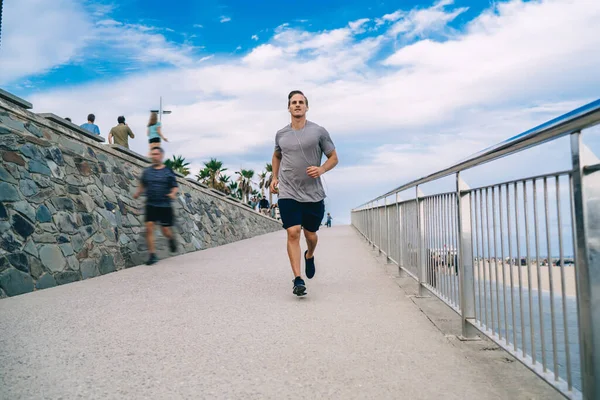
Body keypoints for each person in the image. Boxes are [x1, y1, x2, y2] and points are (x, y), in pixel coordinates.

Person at [270, 90, 339, 296]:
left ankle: (310, 255)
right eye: (294, 102)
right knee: (293, 232)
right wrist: (275, 177)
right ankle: (298, 279)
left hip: (313, 194)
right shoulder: (281, 134)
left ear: (306, 107)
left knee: (311, 234)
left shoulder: (318, 131)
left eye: (301, 102)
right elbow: (276, 156)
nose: (297, 105)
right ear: (289, 108)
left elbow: (333, 157)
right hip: (288, 192)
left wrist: (321, 169)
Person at [133, 147, 178, 265]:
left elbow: (174, 186)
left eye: (156, 154)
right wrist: (138, 192)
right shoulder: (147, 171)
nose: (154, 156)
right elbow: (143, 184)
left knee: (165, 230)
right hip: (151, 204)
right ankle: (152, 255)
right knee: (149, 228)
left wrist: (172, 193)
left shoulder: (168, 171)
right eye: (152, 154)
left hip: (165, 204)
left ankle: (171, 238)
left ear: (161, 156)